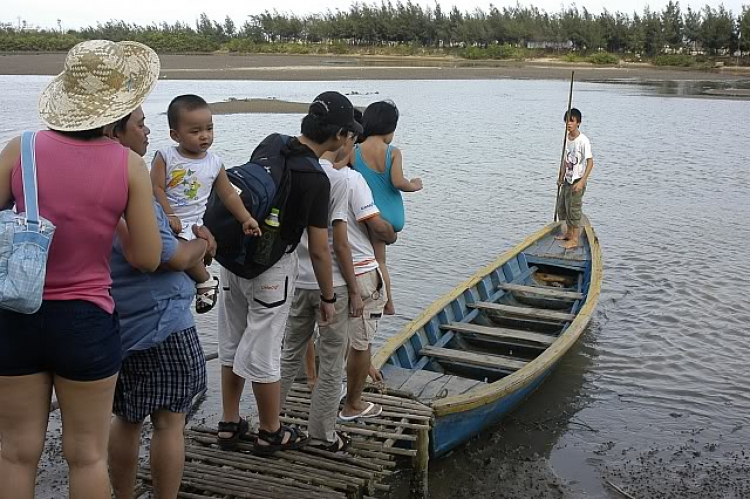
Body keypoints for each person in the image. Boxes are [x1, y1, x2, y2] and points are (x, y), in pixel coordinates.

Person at [0, 40, 162, 499]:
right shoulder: (128, 165)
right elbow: (147, 259)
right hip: (86, 318)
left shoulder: (21, 149)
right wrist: (114, 221)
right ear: (117, 108)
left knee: (15, 451)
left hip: (16, 311)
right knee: (87, 455)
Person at [217, 91, 362, 454]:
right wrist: (329, 297)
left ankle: (230, 423)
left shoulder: (271, 142)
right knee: (266, 351)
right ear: (341, 135)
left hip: (233, 259)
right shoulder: (316, 178)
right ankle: (271, 431)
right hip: (271, 271)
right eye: (349, 135)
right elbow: (318, 248)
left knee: (232, 345)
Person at [106, 108, 211, 499]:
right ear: (114, 132)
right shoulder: (130, 184)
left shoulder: (89, 181)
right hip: (161, 320)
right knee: (170, 421)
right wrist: (204, 243)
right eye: (139, 124)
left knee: (127, 417)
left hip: (118, 323)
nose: (147, 131)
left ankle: (124, 495)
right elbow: (172, 257)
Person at [279, 124, 396, 451]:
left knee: (288, 355)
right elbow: (339, 244)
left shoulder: (293, 170)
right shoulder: (343, 179)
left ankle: (269, 423)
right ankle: (322, 434)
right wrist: (354, 293)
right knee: (332, 363)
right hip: (335, 283)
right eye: (352, 142)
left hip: (299, 278)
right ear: (343, 139)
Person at [151, 94, 261, 314]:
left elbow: (228, 194)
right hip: (165, 215)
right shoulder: (165, 156)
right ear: (175, 135)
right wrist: (169, 214)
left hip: (193, 222)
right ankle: (199, 282)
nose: (204, 136)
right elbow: (156, 188)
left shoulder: (214, 163)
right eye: (195, 131)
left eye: (208, 129)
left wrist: (246, 218)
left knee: (184, 245)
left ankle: (205, 281)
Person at [351, 100, 422, 315]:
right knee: (382, 261)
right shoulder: (392, 152)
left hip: (370, 214)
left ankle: (385, 301)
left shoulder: (354, 152)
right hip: (393, 215)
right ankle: (390, 303)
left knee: (376, 260)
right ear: (390, 128)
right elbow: (398, 182)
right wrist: (414, 185)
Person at [555, 108, 594, 250]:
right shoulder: (567, 139)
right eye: (567, 121)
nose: (569, 124)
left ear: (578, 123)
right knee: (563, 207)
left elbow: (590, 162)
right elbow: (565, 161)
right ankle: (568, 234)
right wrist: (561, 176)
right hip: (568, 179)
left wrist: (582, 181)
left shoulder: (583, 141)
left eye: (572, 121)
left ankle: (574, 239)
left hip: (578, 180)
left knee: (574, 209)